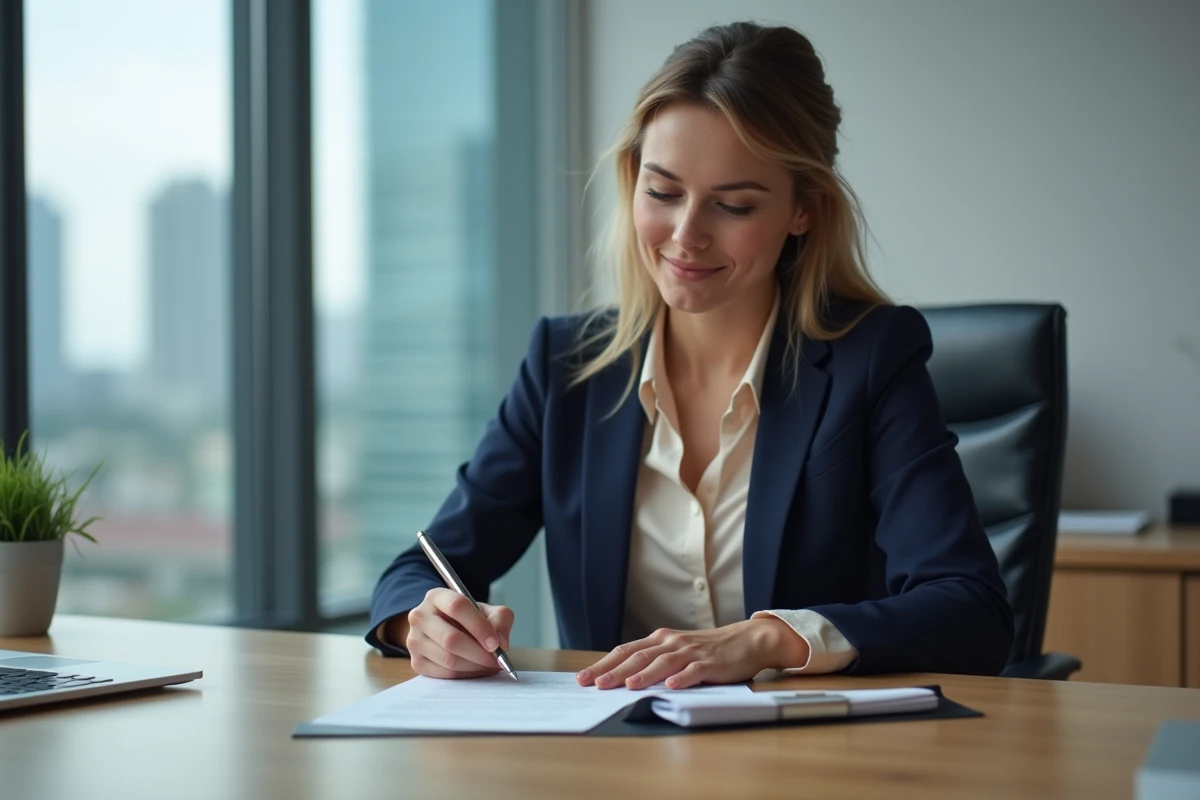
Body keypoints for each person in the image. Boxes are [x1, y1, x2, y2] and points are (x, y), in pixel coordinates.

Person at [367, 21, 1013, 690]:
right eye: (663, 192)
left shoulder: (870, 362)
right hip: (610, 762)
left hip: (809, 760)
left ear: (804, 211)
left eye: (733, 205)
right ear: (631, 180)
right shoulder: (566, 367)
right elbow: (420, 570)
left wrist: (769, 639)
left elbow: (971, 609)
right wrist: (423, 623)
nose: (686, 236)